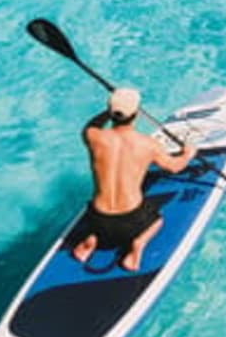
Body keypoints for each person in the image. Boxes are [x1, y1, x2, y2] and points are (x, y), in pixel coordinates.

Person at [72, 86, 196, 271]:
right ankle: (137, 248)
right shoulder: (147, 144)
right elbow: (174, 167)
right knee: (157, 221)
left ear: (110, 112)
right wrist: (188, 154)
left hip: (97, 219)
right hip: (131, 222)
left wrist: (108, 112)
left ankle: (92, 240)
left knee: (100, 222)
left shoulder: (93, 137)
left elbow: (92, 124)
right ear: (137, 113)